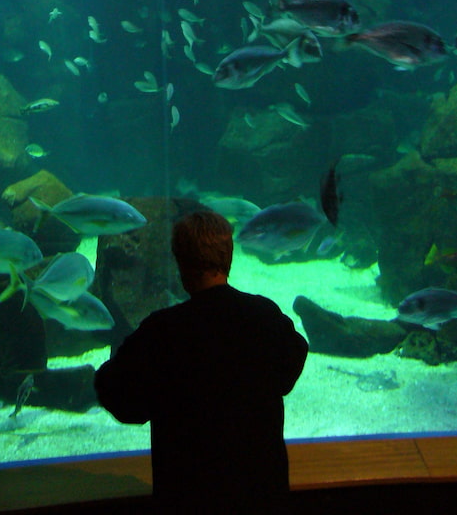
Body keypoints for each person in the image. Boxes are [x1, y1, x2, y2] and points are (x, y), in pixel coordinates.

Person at [94, 209, 308, 514]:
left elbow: (118, 397)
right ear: (229, 257)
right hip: (262, 492)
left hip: (188, 495)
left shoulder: (163, 330)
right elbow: (292, 365)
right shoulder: (265, 315)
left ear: (179, 262)